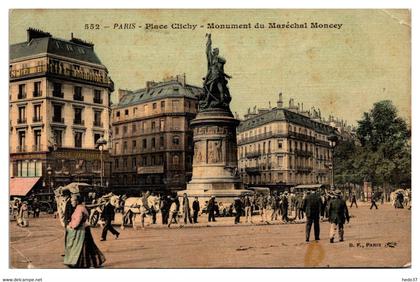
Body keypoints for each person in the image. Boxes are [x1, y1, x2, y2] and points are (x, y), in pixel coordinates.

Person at [64, 194, 105, 268]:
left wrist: (70, 226)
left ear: (76, 201)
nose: (71, 203)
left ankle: (82, 263)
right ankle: (94, 262)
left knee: (82, 248)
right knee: (89, 247)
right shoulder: (80, 207)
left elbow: (77, 222)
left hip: (81, 231)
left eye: (72, 201)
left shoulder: (79, 209)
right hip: (85, 229)